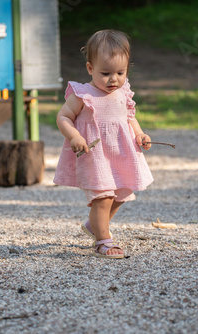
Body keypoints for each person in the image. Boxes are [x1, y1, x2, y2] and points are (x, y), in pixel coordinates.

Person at [54, 29, 154, 259]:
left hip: (120, 153)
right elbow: (63, 117)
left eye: (120, 72)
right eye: (106, 73)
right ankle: (103, 241)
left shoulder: (123, 92)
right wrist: (74, 136)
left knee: (121, 193)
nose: (114, 79)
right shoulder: (83, 94)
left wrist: (140, 134)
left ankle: (94, 226)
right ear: (90, 68)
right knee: (103, 196)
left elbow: (129, 117)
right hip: (95, 154)